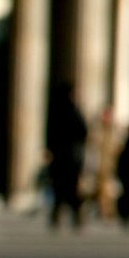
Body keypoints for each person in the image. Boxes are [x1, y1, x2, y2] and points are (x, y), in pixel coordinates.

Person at [44, 82, 88, 232]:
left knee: (60, 188)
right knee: (70, 188)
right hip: (70, 157)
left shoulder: (56, 111)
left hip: (60, 156)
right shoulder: (73, 111)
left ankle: (58, 215)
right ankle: (75, 216)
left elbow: (50, 133)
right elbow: (83, 131)